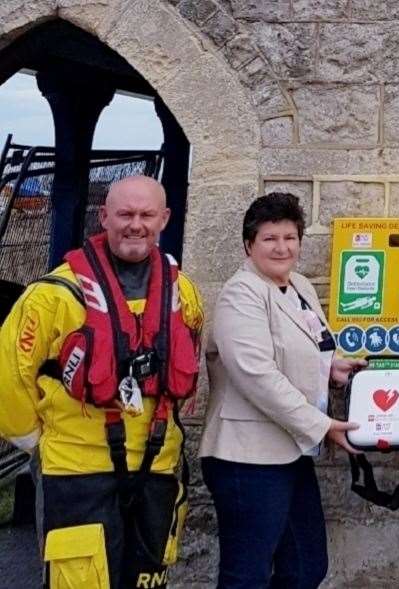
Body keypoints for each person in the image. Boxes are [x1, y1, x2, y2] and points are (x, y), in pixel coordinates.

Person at [0, 175, 204, 588]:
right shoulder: (53, 296)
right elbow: (9, 376)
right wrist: (38, 443)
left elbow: (191, 358)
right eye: (125, 214)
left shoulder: (182, 292)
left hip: (157, 467)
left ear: (164, 218)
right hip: (77, 470)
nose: (136, 224)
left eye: (147, 214)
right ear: (104, 216)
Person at [199, 192, 364, 589]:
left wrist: (332, 368)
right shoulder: (242, 294)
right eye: (270, 238)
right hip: (246, 458)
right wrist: (322, 425)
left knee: (307, 567)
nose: (282, 247)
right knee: (246, 576)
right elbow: (257, 374)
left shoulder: (300, 286)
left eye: (290, 238)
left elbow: (308, 349)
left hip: (290, 453)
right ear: (248, 245)